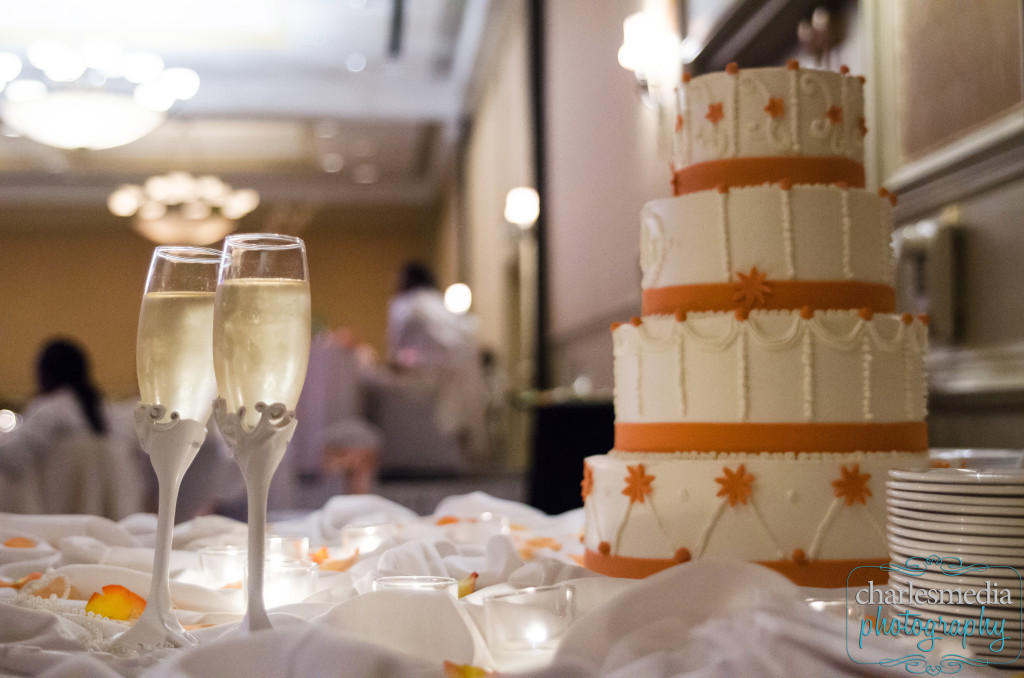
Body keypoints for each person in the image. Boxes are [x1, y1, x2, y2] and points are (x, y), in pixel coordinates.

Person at [0, 338, 143, 518]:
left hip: (59, 514)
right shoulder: (106, 411)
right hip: (105, 516)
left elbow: (12, 456)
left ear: (48, 373)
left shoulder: (51, 409)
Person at [378, 262, 489, 466]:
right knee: (459, 422)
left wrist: (398, 364)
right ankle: (463, 465)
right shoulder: (439, 304)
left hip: (428, 379)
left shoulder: (406, 304)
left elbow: (398, 350)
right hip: (460, 375)